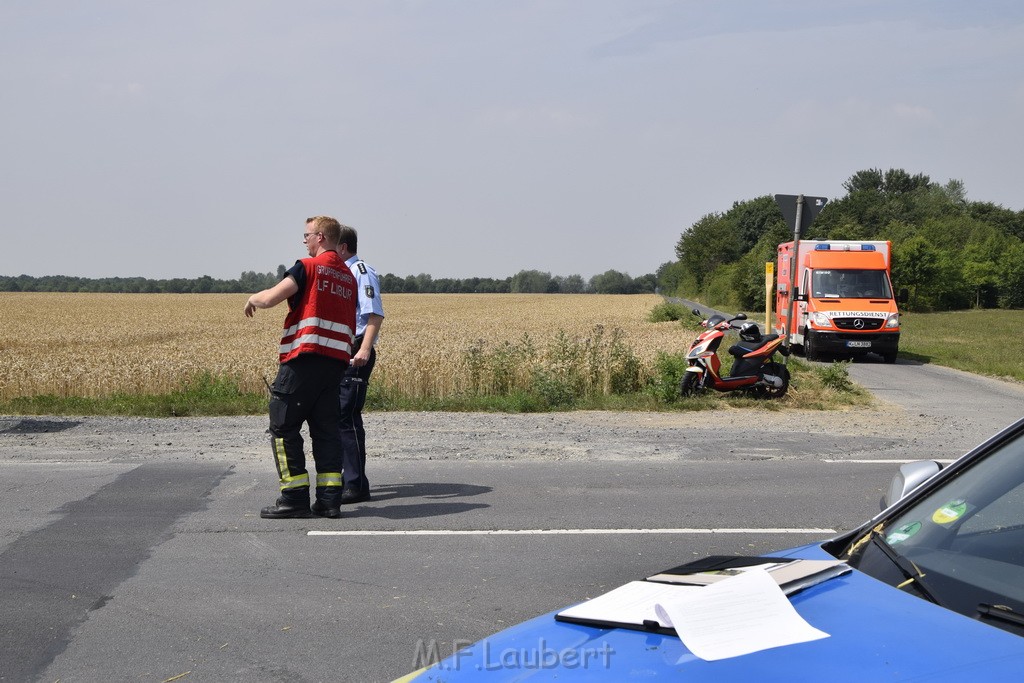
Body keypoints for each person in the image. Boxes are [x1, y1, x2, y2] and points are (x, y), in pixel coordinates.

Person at [244, 216, 357, 519]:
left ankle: (294, 497)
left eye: (306, 235)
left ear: (320, 237)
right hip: (334, 368)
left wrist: (253, 298)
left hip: (303, 361)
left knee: (282, 427)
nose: (304, 241)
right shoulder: (348, 277)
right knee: (326, 432)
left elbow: (270, 298)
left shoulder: (307, 267)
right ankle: (330, 500)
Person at [334, 223, 385, 504]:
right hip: (342, 350)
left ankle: (355, 485)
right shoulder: (341, 272)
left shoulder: (360, 272)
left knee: (347, 416)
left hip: (356, 349)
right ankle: (347, 478)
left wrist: (364, 349)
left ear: (343, 247)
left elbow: (374, 314)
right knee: (338, 416)